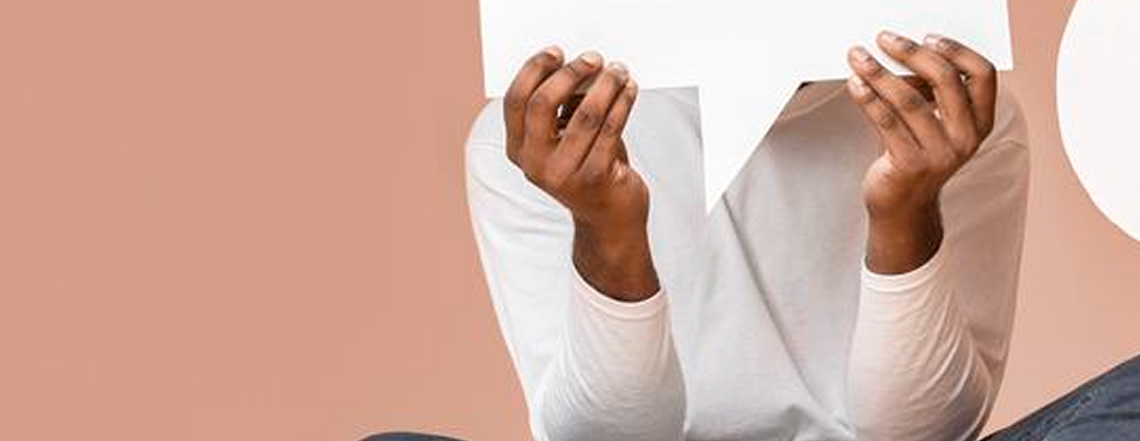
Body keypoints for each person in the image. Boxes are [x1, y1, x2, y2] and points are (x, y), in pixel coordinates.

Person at [400, 31, 1048, 441]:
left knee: (1122, 404)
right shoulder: (543, 138)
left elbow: (924, 436)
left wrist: (908, 209)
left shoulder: (952, 120)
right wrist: (607, 230)